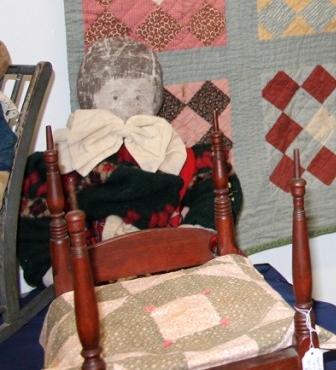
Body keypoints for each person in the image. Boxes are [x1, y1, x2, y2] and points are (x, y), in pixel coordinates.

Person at [17, 37, 242, 287]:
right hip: (94, 271)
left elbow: (219, 186)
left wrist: (196, 231)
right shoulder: (63, 161)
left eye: (138, 97)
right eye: (115, 96)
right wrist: (50, 267)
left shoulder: (172, 151)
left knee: (217, 173)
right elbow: (33, 213)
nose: (128, 105)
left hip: (167, 258)